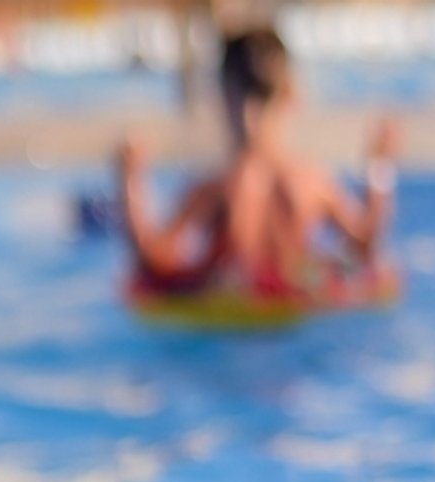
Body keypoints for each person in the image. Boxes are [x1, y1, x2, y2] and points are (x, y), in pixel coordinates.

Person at [119, 27, 401, 298]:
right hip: (298, 310)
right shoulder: (312, 182)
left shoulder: (218, 188)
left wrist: (131, 177)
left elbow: (153, 258)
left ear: (224, 96)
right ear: (292, 96)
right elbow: (365, 243)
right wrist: (380, 167)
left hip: (231, 314)